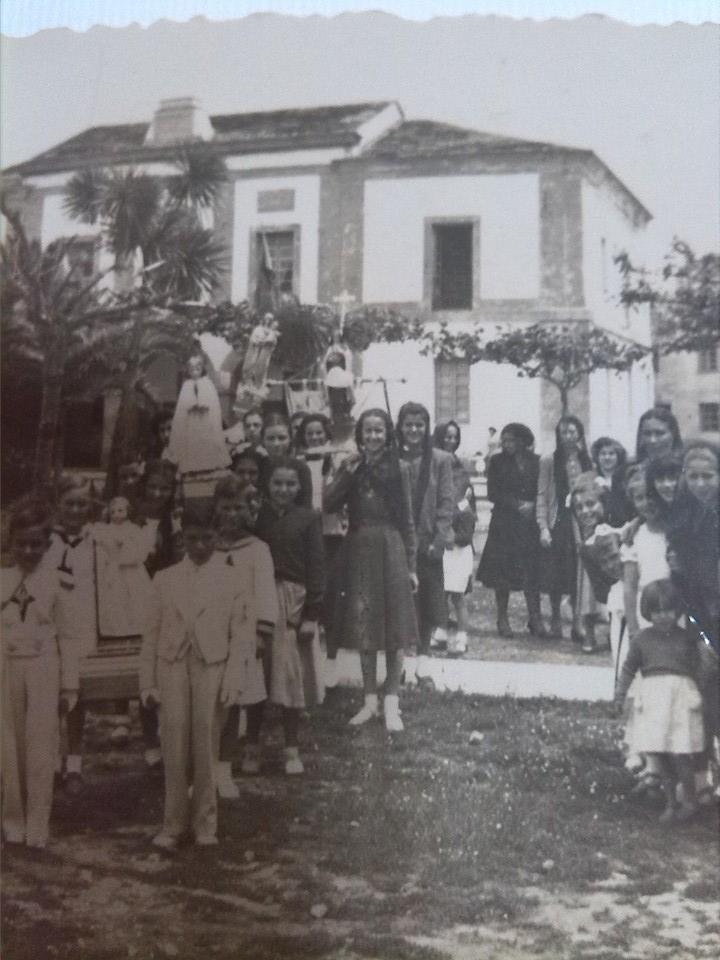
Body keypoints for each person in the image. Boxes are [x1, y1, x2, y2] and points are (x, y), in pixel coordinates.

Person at [139, 502, 254, 850]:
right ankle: (173, 824)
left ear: (217, 537)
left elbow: (242, 634)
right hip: (171, 664)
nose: (200, 546)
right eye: (193, 539)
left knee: (206, 742)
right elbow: (151, 635)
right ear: (182, 538)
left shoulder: (233, 578)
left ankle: (205, 825)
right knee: (173, 742)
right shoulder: (165, 578)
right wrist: (147, 682)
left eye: (207, 538)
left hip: (211, 665)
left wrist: (234, 678)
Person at [324, 409, 418, 731]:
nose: (374, 437)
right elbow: (328, 504)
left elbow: (407, 519)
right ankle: (369, 702)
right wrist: (345, 474)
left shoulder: (400, 468)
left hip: (391, 548)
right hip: (360, 549)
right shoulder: (352, 467)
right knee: (366, 626)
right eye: (368, 431)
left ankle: (392, 703)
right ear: (360, 435)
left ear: (387, 434)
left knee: (394, 629)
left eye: (379, 431)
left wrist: (412, 565)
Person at [2, 499, 80, 848]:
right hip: (7, 667)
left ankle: (37, 824)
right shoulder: (2, 580)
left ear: (48, 546)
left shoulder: (57, 583)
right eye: (22, 543)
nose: (28, 550)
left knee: (40, 745)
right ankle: (13, 821)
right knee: (9, 746)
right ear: (10, 542)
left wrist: (69, 685)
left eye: (36, 543)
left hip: (44, 668)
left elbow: (68, 636)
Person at [254, 458, 326, 774]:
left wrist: (311, 614)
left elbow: (317, 568)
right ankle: (252, 746)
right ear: (267, 486)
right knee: (256, 674)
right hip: (259, 597)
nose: (283, 490)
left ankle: (291, 748)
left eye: (290, 484)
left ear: (300, 487)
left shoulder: (309, 519)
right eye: (277, 483)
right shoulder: (257, 517)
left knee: (289, 675)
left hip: (292, 602)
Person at [615, 579, 708, 823]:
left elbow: (699, 669)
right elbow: (627, 670)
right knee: (662, 755)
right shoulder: (642, 640)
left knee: (681, 753)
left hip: (680, 701)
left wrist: (703, 694)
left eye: (667, 610)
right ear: (648, 612)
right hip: (655, 701)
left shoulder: (687, 638)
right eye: (656, 611)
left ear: (676, 610)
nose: (662, 616)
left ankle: (689, 799)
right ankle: (670, 802)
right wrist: (620, 695)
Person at [213, 476, 276, 792]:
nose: (231, 515)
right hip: (211, 637)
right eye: (225, 508)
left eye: (238, 508)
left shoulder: (257, 549)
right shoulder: (206, 546)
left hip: (244, 637)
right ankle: (206, 767)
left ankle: (225, 769)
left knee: (237, 698)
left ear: (249, 511)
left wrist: (262, 632)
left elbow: (265, 592)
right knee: (211, 703)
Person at [46, 475, 97, 794]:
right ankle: (49, 762)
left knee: (78, 697)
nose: (76, 510)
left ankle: (75, 763)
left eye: (83, 504)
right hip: (50, 628)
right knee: (49, 698)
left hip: (83, 626)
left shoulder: (98, 539)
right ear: (58, 506)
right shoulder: (46, 541)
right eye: (70, 503)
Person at [396, 402, 455, 680]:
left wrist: (440, 539)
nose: (414, 430)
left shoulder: (440, 460)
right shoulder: (392, 458)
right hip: (398, 541)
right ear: (400, 427)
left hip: (428, 540)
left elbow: (446, 502)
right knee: (401, 600)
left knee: (428, 601)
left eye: (419, 425)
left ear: (427, 427)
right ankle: (404, 659)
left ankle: (423, 659)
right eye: (408, 424)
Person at [295, 412, 350, 689]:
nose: (315, 438)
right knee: (309, 599)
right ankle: (310, 663)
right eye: (309, 434)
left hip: (331, 537)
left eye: (319, 433)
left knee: (332, 597)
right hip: (306, 538)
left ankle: (332, 659)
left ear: (327, 435)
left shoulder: (337, 463)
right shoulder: (298, 463)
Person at [477, 423, 544, 640]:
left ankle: (535, 618)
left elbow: (541, 489)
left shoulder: (536, 462)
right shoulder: (497, 462)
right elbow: (493, 493)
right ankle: (502, 619)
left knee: (531, 571)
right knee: (502, 574)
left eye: (511, 440)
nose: (507, 444)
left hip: (528, 525)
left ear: (523, 440)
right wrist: (517, 505)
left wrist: (533, 505)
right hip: (505, 524)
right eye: (504, 440)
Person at [536, 415, 593, 641]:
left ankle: (577, 622)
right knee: (556, 573)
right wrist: (543, 527)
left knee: (579, 574)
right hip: (558, 520)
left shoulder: (586, 461)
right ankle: (556, 620)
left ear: (579, 434)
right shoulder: (549, 460)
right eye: (563, 432)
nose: (568, 436)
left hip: (581, 522)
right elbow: (542, 494)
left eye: (572, 431)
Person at [93, 496, 153, 639]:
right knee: (115, 597)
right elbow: (102, 545)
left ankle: (137, 626)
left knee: (135, 596)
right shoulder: (106, 529)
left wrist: (126, 546)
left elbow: (141, 548)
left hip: (131, 569)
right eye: (112, 512)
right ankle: (117, 628)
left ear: (127, 511)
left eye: (120, 510)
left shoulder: (133, 529)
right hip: (114, 570)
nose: (116, 514)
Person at [166, 351, 231, 479]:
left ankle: (209, 464)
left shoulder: (207, 384)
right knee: (192, 440)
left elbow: (213, 403)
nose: (195, 371)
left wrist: (204, 404)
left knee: (205, 439)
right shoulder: (186, 385)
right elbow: (182, 405)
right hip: (191, 420)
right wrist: (190, 406)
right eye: (192, 369)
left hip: (205, 420)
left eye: (198, 368)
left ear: (202, 369)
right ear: (188, 370)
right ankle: (192, 466)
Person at [569, 472, 610, 653]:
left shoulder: (609, 522)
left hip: (606, 552)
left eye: (590, 504)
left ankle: (612, 632)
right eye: (580, 507)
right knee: (587, 593)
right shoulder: (581, 523)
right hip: (587, 551)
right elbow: (576, 525)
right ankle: (589, 633)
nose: (585, 511)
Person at [260, 414, 313, 507]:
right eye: (270, 438)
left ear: (290, 439)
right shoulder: (259, 466)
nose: (276, 443)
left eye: (281, 438)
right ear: (262, 441)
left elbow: (306, 507)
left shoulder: (301, 469)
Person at [590, 436, 630, 528]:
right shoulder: (591, 478)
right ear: (597, 457)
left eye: (611, 454)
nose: (607, 457)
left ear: (618, 456)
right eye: (603, 454)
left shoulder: (625, 478)